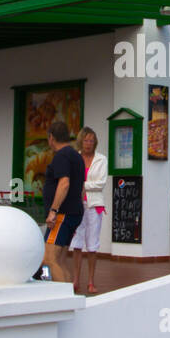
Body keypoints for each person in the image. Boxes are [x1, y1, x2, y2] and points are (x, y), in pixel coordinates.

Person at [38, 121, 85, 288]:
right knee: (60, 260)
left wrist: (53, 210)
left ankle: (64, 301)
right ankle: (68, 296)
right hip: (74, 212)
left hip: (62, 214)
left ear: (51, 138)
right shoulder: (76, 156)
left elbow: (64, 183)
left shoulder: (62, 156)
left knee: (49, 259)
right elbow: (81, 187)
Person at [67, 126, 107, 294]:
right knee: (76, 243)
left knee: (92, 243)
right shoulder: (75, 158)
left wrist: (84, 186)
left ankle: (91, 280)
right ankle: (76, 279)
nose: (88, 144)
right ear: (80, 141)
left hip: (94, 205)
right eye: (86, 140)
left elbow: (101, 182)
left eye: (91, 140)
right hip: (77, 204)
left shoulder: (101, 159)